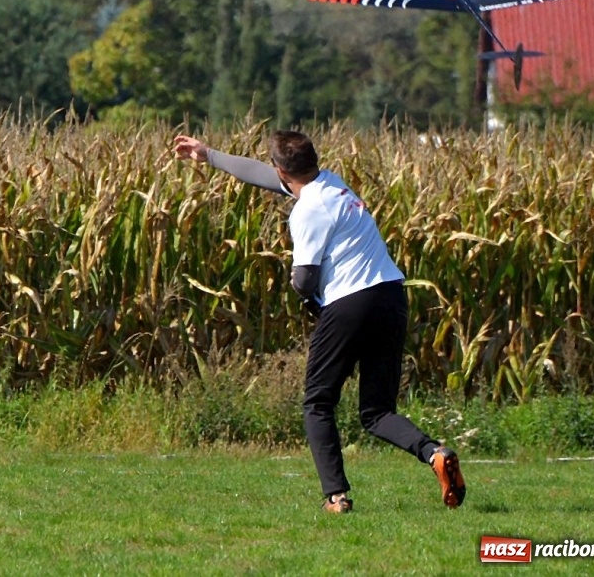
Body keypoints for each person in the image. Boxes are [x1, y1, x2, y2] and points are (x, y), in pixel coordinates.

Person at [172, 129, 465, 514]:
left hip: (350, 303)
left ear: (283, 170)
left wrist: (300, 291)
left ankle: (336, 497)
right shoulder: (334, 184)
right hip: (391, 295)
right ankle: (434, 453)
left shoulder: (307, 210)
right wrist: (209, 155)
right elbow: (266, 176)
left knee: (318, 402)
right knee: (377, 411)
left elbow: (304, 279)